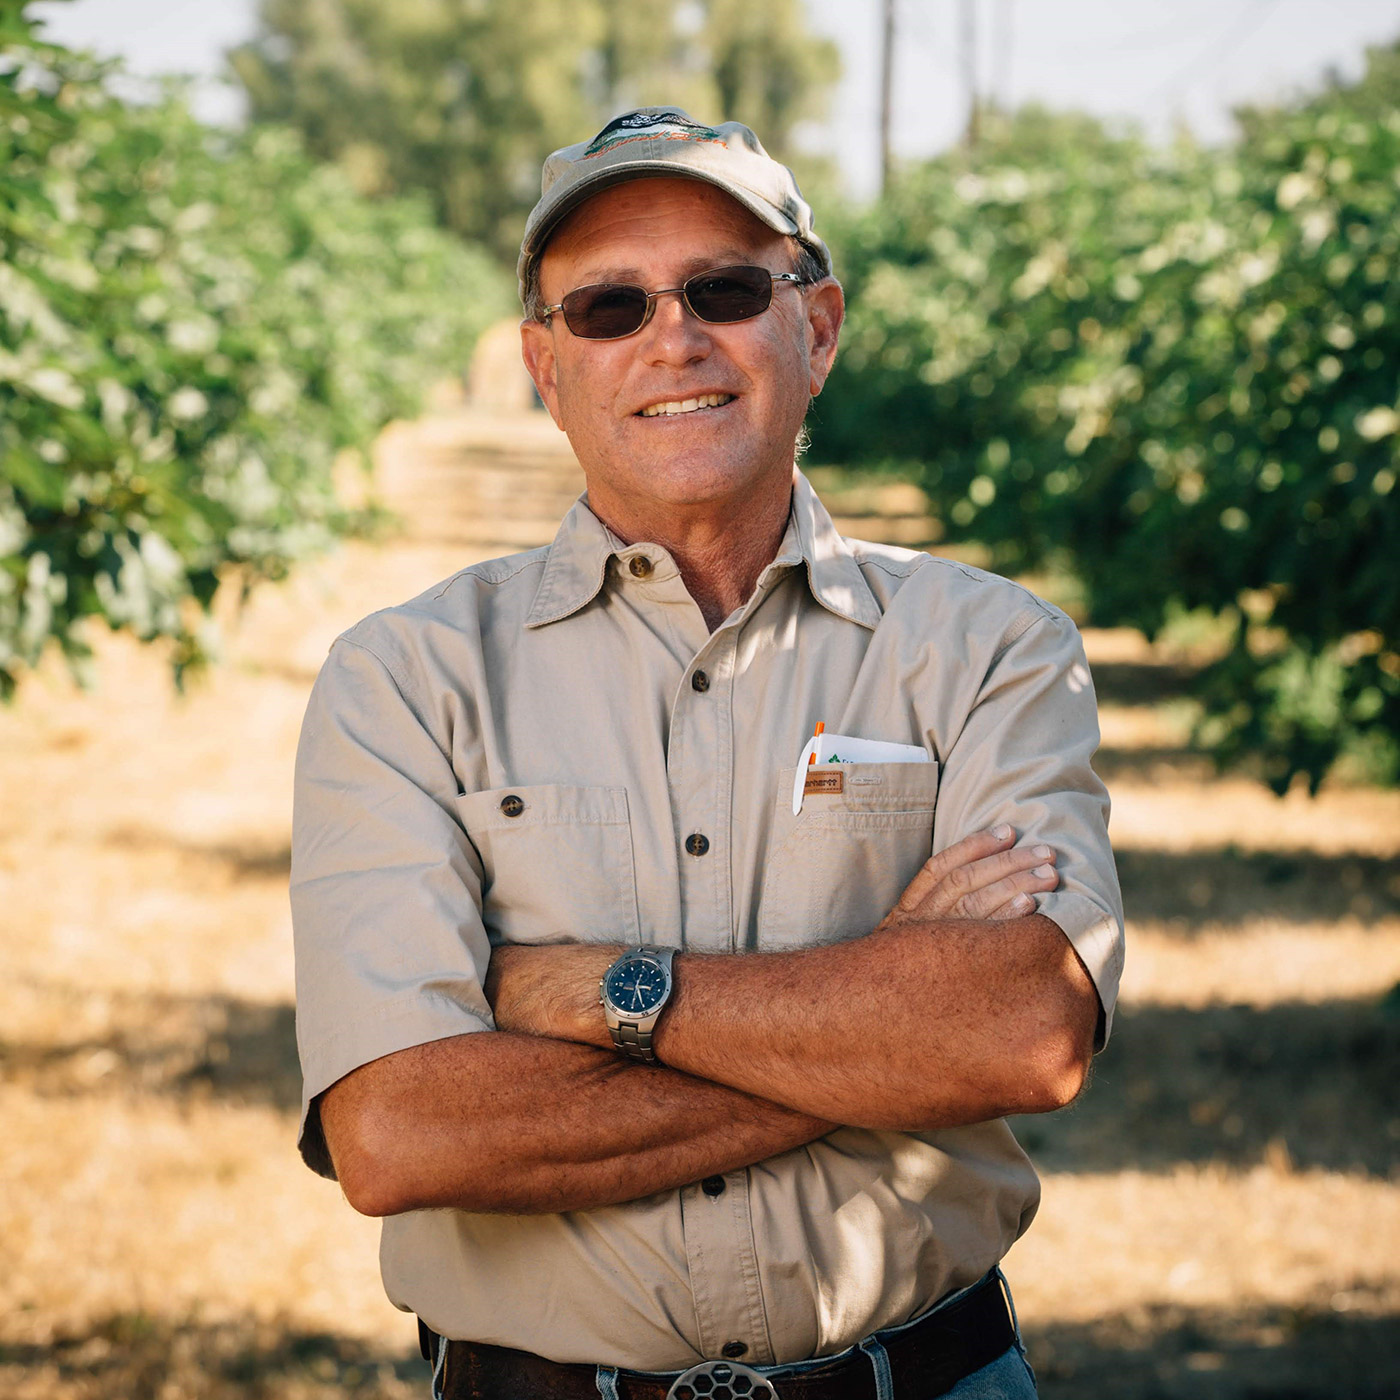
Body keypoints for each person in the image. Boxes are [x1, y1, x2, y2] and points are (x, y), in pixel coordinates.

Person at [290, 107, 1124, 1400]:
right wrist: (887, 1041)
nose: (671, 336)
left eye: (727, 289)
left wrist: (595, 994)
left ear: (820, 327)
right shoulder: (404, 679)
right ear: (543, 364)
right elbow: (399, 1135)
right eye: (607, 309)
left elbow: (1023, 1035)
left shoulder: (991, 649)